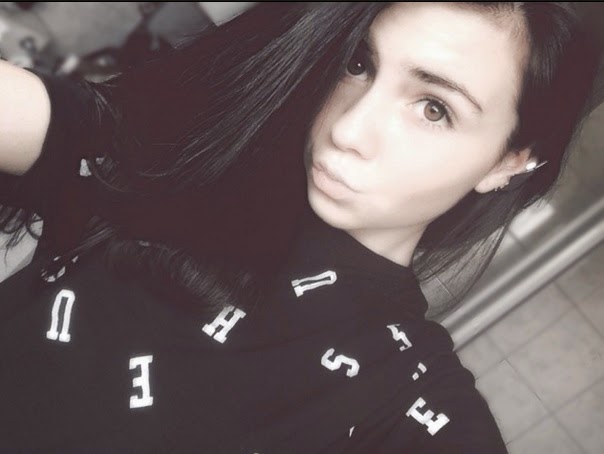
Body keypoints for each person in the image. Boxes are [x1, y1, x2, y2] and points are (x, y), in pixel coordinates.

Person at [0, 2, 600, 452]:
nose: (347, 129)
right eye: (359, 64)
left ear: (509, 162)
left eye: (433, 108)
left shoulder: (403, 394)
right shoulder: (201, 158)